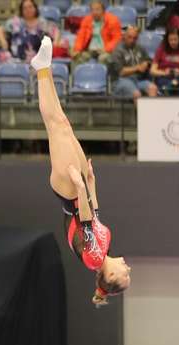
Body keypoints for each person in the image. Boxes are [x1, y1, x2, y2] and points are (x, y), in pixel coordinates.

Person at [29, 36, 131, 306]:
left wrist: (80, 186)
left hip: (70, 192)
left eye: (124, 274)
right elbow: (95, 215)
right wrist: (92, 183)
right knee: (62, 122)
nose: (128, 268)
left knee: (55, 126)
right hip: (80, 191)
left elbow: (84, 222)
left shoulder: (94, 259)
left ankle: (42, 69)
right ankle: (43, 66)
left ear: (109, 275)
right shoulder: (103, 249)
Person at [0, 0, 60, 64]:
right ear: (21, 11)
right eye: (25, 8)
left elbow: (56, 31)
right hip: (14, 59)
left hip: (37, 60)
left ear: (35, 8)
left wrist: (55, 43)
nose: (28, 10)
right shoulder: (16, 22)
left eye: (30, 7)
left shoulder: (42, 23)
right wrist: (3, 41)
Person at [109, 26, 158, 100]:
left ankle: (151, 111)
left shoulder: (139, 48)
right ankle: (139, 111)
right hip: (121, 81)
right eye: (130, 37)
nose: (132, 40)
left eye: (135, 38)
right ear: (124, 37)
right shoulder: (118, 51)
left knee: (153, 88)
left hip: (138, 80)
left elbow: (149, 60)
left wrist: (146, 63)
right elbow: (121, 72)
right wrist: (137, 67)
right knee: (136, 94)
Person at [71, 0, 121, 66]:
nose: (94, 12)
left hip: (105, 50)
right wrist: (77, 50)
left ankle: (101, 76)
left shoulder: (113, 20)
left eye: (97, 9)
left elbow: (116, 39)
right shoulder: (87, 20)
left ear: (103, 10)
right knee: (77, 58)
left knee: (103, 58)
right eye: (92, 10)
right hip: (90, 50)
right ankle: (75, 76)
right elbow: (80, 37)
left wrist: (106, 49)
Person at [150, 27, 179, 94]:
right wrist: (164, 72)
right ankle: (171, 87)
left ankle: (173, 86)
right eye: (170, 40)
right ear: (167, 40)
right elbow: (152, 71)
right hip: (164, 78)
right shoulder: (161, 50)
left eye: (175, 39)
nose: (173, 42)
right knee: (172, 87)